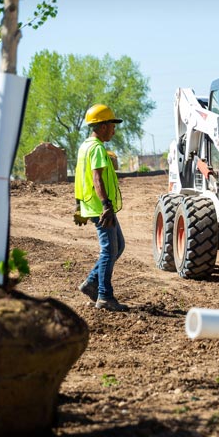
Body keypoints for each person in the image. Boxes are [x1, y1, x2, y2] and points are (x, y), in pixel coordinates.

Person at [73, 103, 128, 312]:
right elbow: (96, 178)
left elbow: (80, 178)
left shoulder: (84, 146)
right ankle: (104, 295)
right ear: (103, 126)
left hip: (95, 206)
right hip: (101, 208)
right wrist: (106, 205)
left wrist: (78, 204)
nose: (114, 130)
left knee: (118, 246)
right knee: (109, 250)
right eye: (112, 125)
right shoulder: (96, 148)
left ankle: (91, 283)